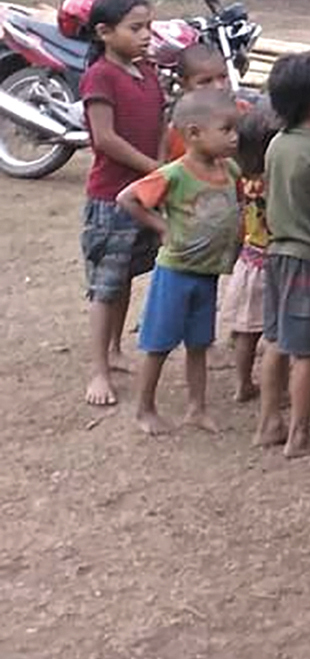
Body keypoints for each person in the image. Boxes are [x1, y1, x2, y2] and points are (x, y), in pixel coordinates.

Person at [116, 89, 241, 435]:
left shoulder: (229, 168)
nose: (234, 137)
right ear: (193, 134)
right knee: (158, 343)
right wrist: (162, 226)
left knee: (199, 343)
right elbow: (127, 198)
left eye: (236, 129)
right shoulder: (174, 174)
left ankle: (197, 408)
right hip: (175, 272)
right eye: (226, 129)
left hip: (207, 273)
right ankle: (145, 409)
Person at [77, 0, 164, 408]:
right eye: (136, 28)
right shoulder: (100, 76)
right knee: (105, 287)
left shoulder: (147, 73)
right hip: (112, 197)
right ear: (104, 33)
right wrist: (154, 167)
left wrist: (161, 169)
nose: (147, 36)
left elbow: (160, 124)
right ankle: (97, 369)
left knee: (128, 275)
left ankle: (114, 350)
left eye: (149, 26)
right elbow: (105, 138)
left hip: (145, 195)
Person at [257, 50, 310, 458]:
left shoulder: (276, 143)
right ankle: (299, 434)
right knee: (307, 351)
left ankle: (268, 422)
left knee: (275, 340)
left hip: (276, 255)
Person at [216, 103, 279, 403]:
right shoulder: (275, 183)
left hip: (250, 260)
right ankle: (276, 389)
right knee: (277, 334)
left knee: (246, 331)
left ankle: (243, 383)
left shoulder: (245, 180)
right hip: (276, 262)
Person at [161, 43, 231, 160]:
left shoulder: (241, 111)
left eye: (223, 77)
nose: (219, 86)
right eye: (206, 81)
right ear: (183, 84)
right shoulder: (180, 127)